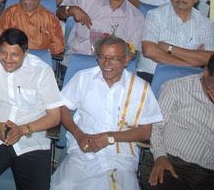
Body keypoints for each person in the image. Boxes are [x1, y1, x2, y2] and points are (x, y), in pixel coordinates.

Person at [51, 36, 163, 190]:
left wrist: (109, 137)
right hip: (83, 152)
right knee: (65, 185)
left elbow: (145, 132)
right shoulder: (84, 78)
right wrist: (79, 134)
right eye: (102, 57)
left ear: (126, 60)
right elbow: (62, 107)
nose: (106, 64)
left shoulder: (140, 88)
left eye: (114, 58)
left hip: (120, 156)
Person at [0, 28, 63, 189]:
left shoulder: (41, 71)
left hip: (32, 139)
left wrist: (22, 129)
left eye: (14, 55)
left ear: (25, 53)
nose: (7, 60)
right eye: (3, 53)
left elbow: (54, 116)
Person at [140, 54, 214, 190]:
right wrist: (160, 157)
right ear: (206, 72)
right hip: (171, 163)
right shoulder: (177, 87)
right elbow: (155, 127)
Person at [56, 0, 144, 62]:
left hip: (110, 65)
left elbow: (133, 52)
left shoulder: (136, 17)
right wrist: (70, 9)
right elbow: (59, 12)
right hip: (78, 60)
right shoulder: (88, 0)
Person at [140, 0, 214, 79]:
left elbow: (209, 58)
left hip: (188, 80)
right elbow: (149, 51)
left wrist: (169, 48)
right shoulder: (155, 15)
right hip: (152, 76)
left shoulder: (206, 24)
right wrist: (190, 64)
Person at [0, 0, 65, 56]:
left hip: (38, 58)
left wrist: (42, 53)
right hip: (11, 57)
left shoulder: (49, 17)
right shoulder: (10, 13)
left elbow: (59, 45)